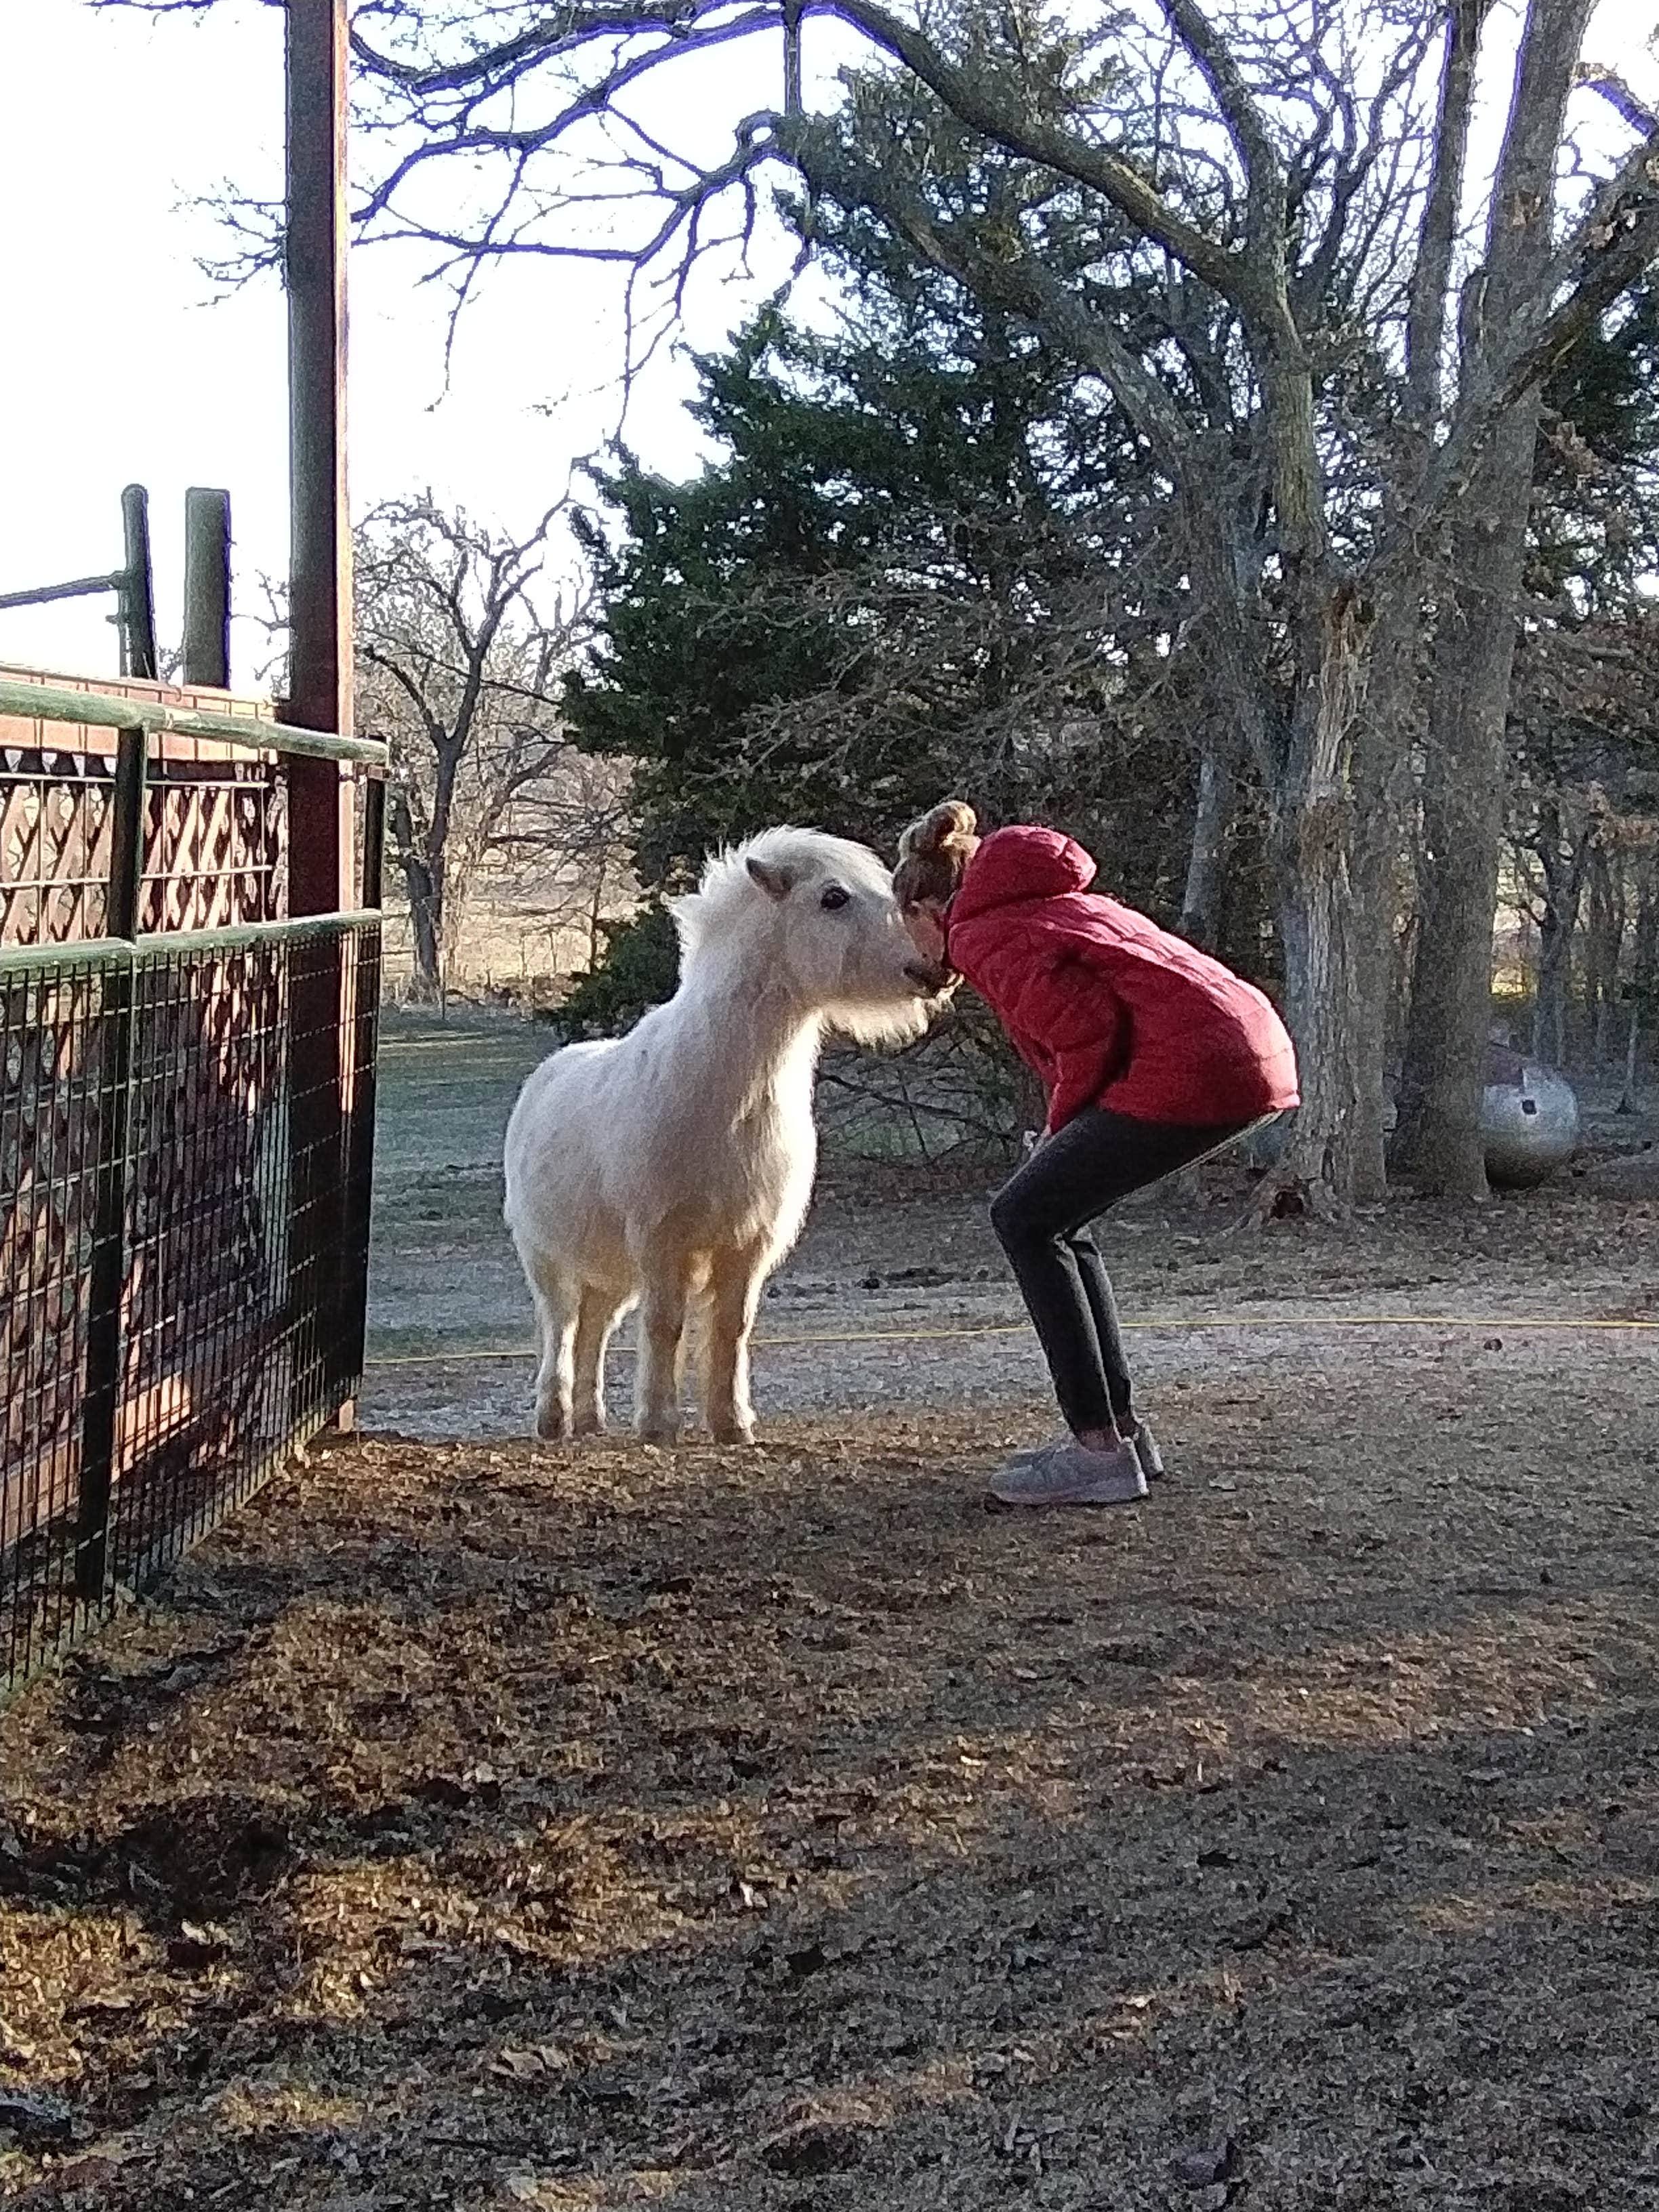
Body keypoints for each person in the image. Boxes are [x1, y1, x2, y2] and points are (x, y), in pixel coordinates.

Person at [893, 800, 1298, 1509]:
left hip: (1195, 1067)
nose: (917, 952)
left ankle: (1096, 1451)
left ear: (929, 907)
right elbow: (1088, 1029)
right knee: (1057, 1219)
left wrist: (1057, 1129)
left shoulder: (984, 933)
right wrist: (1061, 1131)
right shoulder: (1063, 905)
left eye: (909, 929)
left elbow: (1087, 1035)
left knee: (1023, 1219)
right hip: (1250, 1053)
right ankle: (1122, 1435)